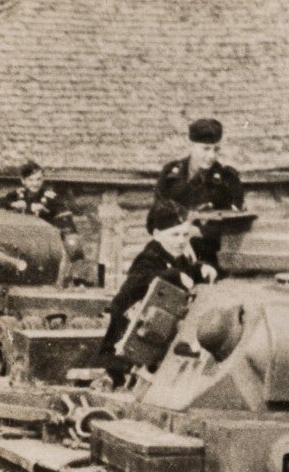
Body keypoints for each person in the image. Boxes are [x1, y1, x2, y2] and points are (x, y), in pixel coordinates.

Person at [102, 203, 217, 384]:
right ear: (156, 235)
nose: (181, 241)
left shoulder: (175, 255)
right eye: (175, 235)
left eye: (185, 235)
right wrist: (174, 275)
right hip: (127, 330)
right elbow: (145, 278)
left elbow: (185, 269)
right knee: (126, 376)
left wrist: (200, 269)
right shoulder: (149, 257)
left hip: (156, 326)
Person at [151, 117, 245, 263]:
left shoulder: (228, 179)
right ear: (191, 145)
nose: (211, 156)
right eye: (206, 149)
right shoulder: (170, 174)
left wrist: (201, 232)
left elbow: (234, 223)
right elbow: (155, 215)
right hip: (170, 253)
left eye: (216, 149)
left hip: (209, 257)